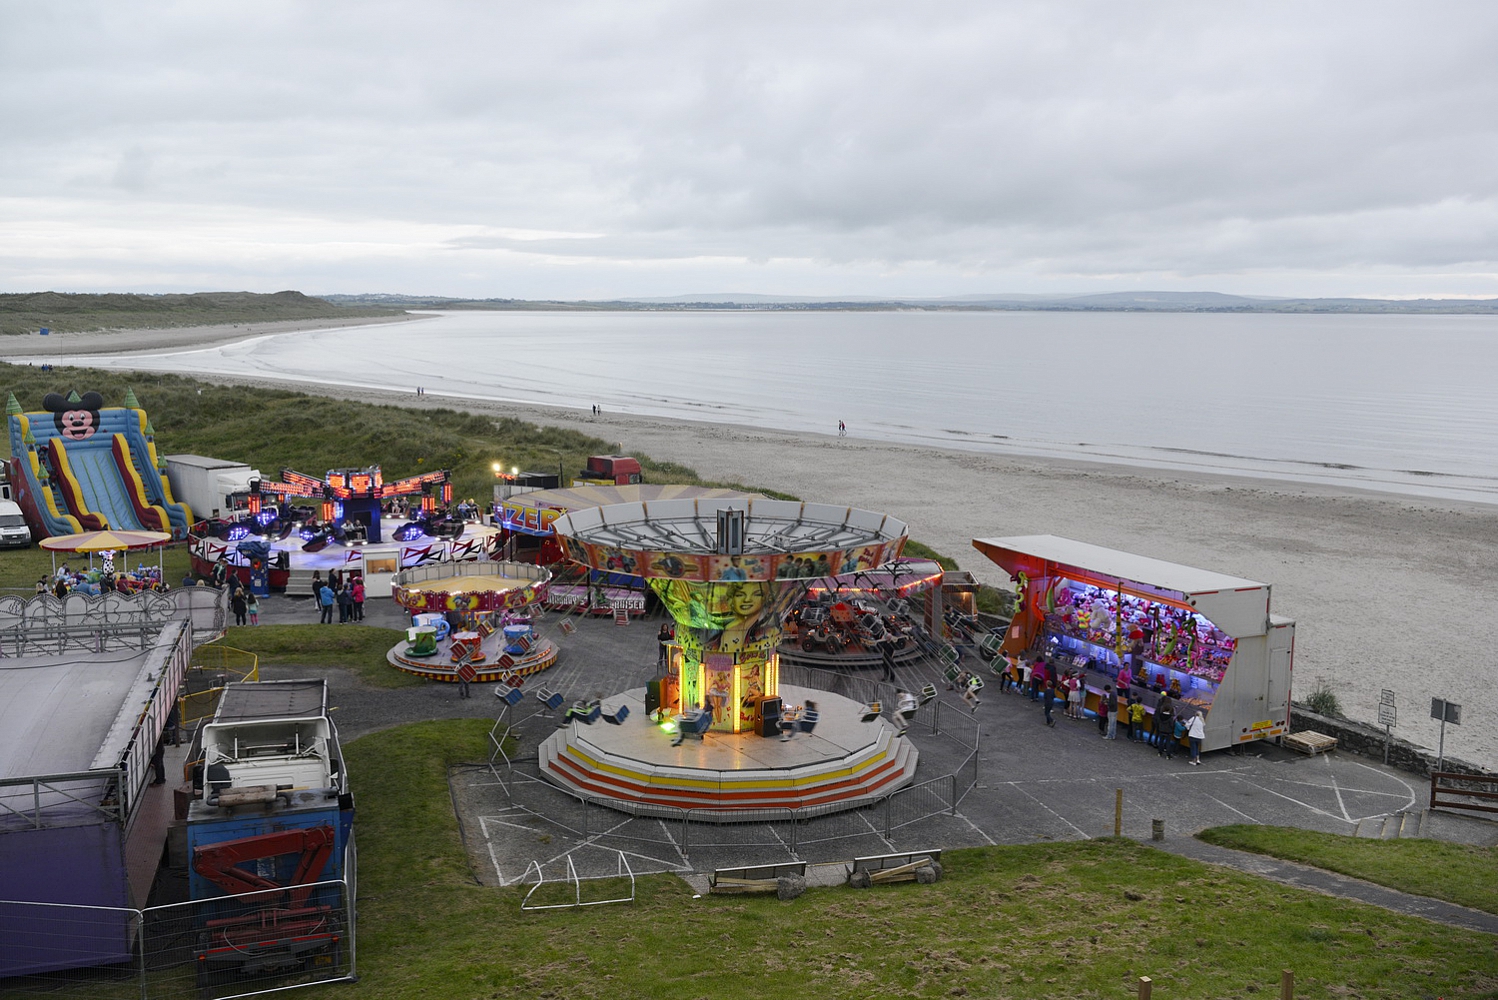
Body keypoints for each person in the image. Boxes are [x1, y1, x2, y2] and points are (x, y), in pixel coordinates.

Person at [1154, 694, 1176, 759]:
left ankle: (1159, 752)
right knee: (1167, 743)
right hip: (1168, 731)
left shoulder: (1161, 715)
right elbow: (1171, 724)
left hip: (1161, 730)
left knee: (1161, 741)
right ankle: (1167, 755)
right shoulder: (1170, 717)